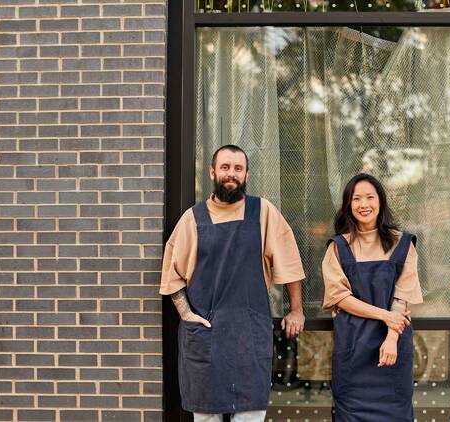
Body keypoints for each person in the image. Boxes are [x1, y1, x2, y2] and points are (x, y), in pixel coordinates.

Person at [160, 144, 306, 422]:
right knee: (205, 416)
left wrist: (296, 309)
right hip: (206, 336)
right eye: (225, 167)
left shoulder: (262, 212)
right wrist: (186, 315)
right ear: (213, 171)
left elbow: (289, 261)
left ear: (247, 174)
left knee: (250, 415)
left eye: (238, 168)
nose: (231, 174)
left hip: (249, 335)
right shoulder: (192, 219)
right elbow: (171, 273)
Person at [322, 173, 423, 421]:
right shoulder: (338, 246)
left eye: (370, 197)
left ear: (381, 201)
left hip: (392, 348)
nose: (363, 204)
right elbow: (340, 298)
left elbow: (402, 298)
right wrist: (385, 315)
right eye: (356, 199)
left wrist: (391, 339)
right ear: (348, 205)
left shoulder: (403, 243)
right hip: (353, 347)